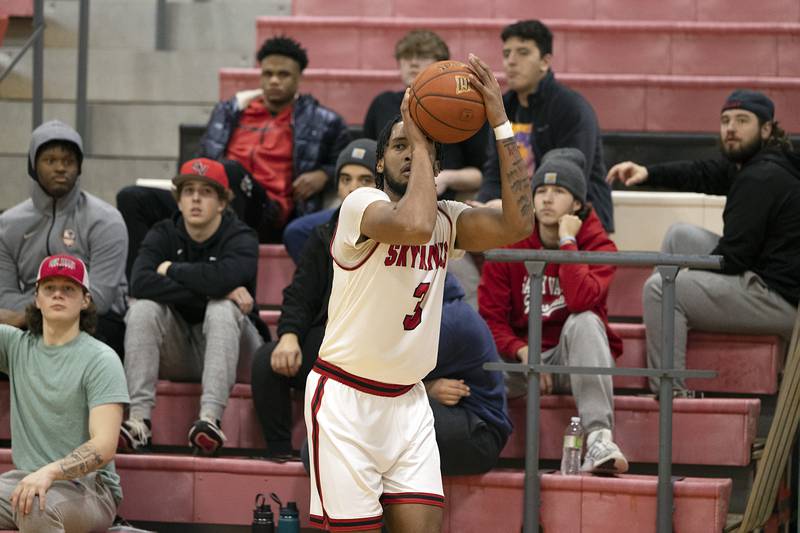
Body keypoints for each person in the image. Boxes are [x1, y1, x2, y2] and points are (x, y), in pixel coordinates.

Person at [305, 54, 533, 532]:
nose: (411, 152)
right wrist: (419, 127)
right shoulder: (360, 205)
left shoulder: (447, 219)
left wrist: (500, 123)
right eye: (400, 145)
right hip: (346, 399)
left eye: (423, 144)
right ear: (379, 161)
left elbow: (518, 223)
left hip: (408, 402)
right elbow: (412, 223)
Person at [607, 89, 800, 395]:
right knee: (680, 236)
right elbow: (703, 173)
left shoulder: (760, 178)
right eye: (725, 120)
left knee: (661, 289)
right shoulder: (754, 165)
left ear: (766, 129)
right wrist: (647, 173)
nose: (731, 128)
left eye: (741, 120)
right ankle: (671, 329)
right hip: (764, 278)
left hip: (781, 300)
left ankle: (670, 394)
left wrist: (683, 277)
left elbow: (733, 258)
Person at [117, 35, 351, 274]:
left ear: (300, 78)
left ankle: (222, 269)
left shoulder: (323, 121)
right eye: (268, 74)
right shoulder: (229, 112)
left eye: (283, 75)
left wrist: (324, 174)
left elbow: (350, 164)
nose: (274, 81)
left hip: (266, 211)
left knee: (229, 170)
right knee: (132, 198)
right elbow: (202, 158)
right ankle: (140, 284)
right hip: (214, 197)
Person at [479, 147, 628, 474]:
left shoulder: (600, 248)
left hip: (571, 360)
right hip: (521, 362)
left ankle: (600, 439)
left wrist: (567, 244)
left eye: (558, 191)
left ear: (577, 204)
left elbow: (579, 301)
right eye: (541, 191)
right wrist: (521, 349)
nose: (546, 199)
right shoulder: (511, 244)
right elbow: (491, 318)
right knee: (472, 365)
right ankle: (471, 443)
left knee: (586, 321)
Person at [283, 29, 489, 264]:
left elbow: (479, 175)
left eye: (422, 56)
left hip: (437, 209)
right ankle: (331, 283)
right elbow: (367, 160)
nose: (412, 63)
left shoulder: (460, 110)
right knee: (299, 231)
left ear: (440, 65)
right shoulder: (382, 103)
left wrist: (447, 177)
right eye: (406, 57)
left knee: (461, 284)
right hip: (380, 204)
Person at [119, 158, 267, 456]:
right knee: (143, 309)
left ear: (223, 202)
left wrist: (171, 269)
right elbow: (140, 283)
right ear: (179, 199)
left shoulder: (241, 236)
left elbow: (225, 277)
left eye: (206, 191)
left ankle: (209, 421)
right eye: (188, 191)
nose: (196, 198)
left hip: (235, 352)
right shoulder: (163, 232)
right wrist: (214, 287)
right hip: (181, 349)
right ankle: (138, 422)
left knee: (222, 309)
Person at [251, 138, 379, 458]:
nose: (352, 188)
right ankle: (280, 453)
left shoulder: (395, 238)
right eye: (345, 179)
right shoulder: (324, 234)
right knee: (267, 361)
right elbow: (300, 293)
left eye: (364, 180)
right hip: (324, 341)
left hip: (370, 349)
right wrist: (290, 336)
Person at [0, 254, 129, 532]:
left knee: (35, 506)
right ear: (37, 298)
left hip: (90, 486)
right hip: (24, 480)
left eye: (68, 288)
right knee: (31, 500)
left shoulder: (101, 359)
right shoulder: (15, 346)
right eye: (49, 288)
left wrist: (49, 472)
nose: (58, 294)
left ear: (85, 300)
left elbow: (105, 445)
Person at [0, 120, 129, 358]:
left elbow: (100, 297)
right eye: (50, 161)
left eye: (68, 161)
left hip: (94, 320)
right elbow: (5, 295)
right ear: (33, 166)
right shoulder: (8, 224)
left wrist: (28, 316)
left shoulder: (107, 220)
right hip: (29, 320)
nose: (60, 168)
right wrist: (40, 316)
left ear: (79, 168)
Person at [476, 19, 614, 233]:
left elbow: (571, 178)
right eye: (506, 54)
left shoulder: (570, 108)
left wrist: (512, 207)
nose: (511, 62)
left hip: (578, 221)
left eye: (523, 52)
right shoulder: (501, 108)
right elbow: (494, 171)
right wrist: (484, 205)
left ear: (545, 61)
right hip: (521, 219)